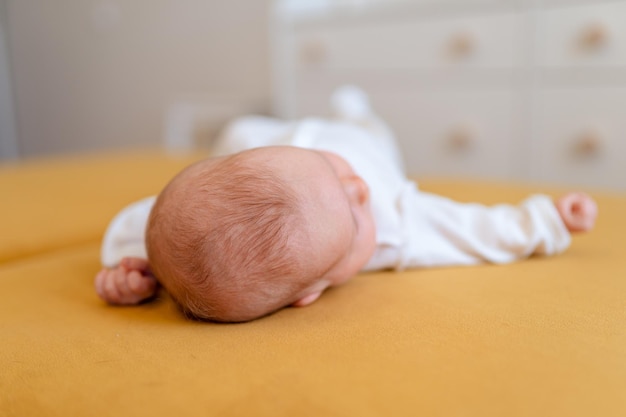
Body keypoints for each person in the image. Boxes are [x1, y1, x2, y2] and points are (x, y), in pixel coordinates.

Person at [95, 86, 598, 322]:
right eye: (357, 221)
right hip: (353, 147)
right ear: (309, 292)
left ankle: (330, 128)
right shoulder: (396, 222)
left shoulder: (166, 229)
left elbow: (130, 234)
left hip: (286, 142)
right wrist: (547, 219)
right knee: (375, 136)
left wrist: (131, 268)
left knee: (240, 135)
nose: (362, 190)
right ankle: (356, 115)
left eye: (337, 176)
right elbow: (470, 229)